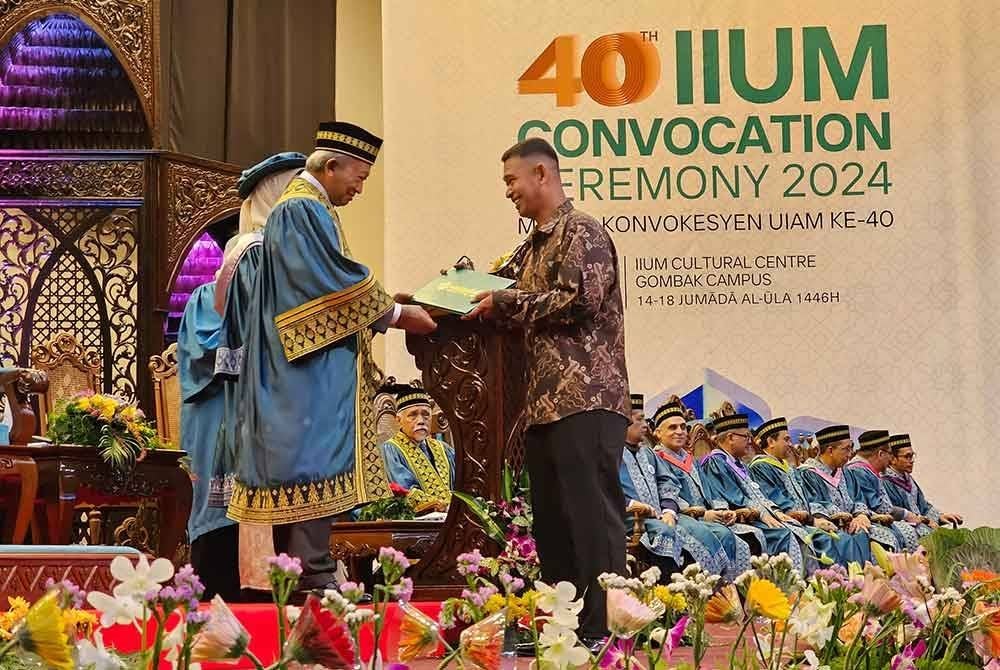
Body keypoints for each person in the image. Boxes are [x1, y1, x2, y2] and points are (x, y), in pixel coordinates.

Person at [227, 121, 436, 592]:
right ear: (331, 165)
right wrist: (399, 313)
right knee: (311, 462)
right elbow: (330, 281)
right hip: (303, 373)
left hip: (299, 365)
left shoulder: (309, 207)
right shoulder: (303, 208)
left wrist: (389, 302)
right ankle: (313, 576)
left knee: (304, 465)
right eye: (358, 178)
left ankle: (303, 576)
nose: (360, 189)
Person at [465, 137, 629, 645]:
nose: (508, 192)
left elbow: (577, 300)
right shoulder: (532, 244)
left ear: (541, 174)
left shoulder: (583, 232)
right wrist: (440, 297)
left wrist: (505, 303)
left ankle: (602, 629)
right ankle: (566, 629)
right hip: (543, 407)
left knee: (591, 518)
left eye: (512, 181)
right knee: (553, 524)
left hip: (587, 400)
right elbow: (494, 285)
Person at [214, 152, 306, 597]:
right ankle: (270, 578)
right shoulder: (253, 250)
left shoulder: (269, 247)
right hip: (266, 381)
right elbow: (261, 323)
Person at [621, 395, 748, 581]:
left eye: (683, 427)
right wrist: (635, 504)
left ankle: (725, 594)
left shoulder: (647, 454)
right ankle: (680, 596)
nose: (645, 425)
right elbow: (603, 491)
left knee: (733, 536)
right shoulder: (611, 454)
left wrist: (669, 511)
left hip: (664, 516)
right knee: (680, 533)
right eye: (640, 419)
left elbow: (667, 483)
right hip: (632, 519)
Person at [177, 281, 239, 600]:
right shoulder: (208, 296)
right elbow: (209, 351)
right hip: (217, 410)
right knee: (221, 514)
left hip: (257, 422)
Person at [652, 401, 758, 573]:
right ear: (658, 433)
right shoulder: (656, 458)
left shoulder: (691, 459)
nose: (679, 432)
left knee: (749, 538)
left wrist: (722, 510)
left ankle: (737, 594)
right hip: (680, 516)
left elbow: (710, 490)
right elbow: (665, 493)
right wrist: (702, 513)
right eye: (672, 428)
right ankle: (713, 593)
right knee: (723, 535)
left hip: (706, 516)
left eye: (683, 427)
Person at [749, 417, 869, 566]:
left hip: (808, 520)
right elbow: (776, 498)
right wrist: (812, 520)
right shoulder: (760, 467)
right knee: (832, 539)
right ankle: (835, 582)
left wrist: (826, 515)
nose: (790, 444)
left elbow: (809, 497)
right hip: (791, 521)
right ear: (771, 442)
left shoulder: (789, 467)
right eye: (786, 439)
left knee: (857, 533)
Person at [698, 414, 804, 572]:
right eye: (746, 436)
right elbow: (733, 497)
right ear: (731, 437)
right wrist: (762, 513)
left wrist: (775, 511)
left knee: (796, 529)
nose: (750, 441)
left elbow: (759, 494)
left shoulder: (740, 464)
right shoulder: (716, 461)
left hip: (754, 516)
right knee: (783, 534)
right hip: (738, 518)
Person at [798, 425, 882, 557]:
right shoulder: (808, 474)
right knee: (848, 539)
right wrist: (842, 516)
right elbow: (814, 504)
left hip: (853, 523)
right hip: (828, 524)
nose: (850, 455)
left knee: (883, 534)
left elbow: (858, 499)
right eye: (846, 449)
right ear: (830, 450)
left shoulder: (847, 473)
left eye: (851, 448)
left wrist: (861, 515)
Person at [845, 430, 928, 552]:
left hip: (878, 519)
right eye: (889, 453)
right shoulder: (858, 471)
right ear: (880, 454)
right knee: (904, 534)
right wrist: (906, 514)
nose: (890, 459)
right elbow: (876, 505)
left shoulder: (870, 471)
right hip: (865, 520)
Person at [379, 384, 455, 513]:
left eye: (426, 415)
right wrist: (440, 506)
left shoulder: (445, 449)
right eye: (413, 415)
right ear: (398, 420)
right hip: (418, 522)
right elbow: (405, 492)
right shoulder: (391, 449)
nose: (421, 421)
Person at [883, 433, 962, 531]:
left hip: (921, 525)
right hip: (903, 529)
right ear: (893, 459)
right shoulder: (884, 482)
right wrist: (926, 521)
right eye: (907, 456)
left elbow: (923, 506)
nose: (911, 461)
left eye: (912, 456)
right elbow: (889, 511)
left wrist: (940, 517)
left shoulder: (909, 480)